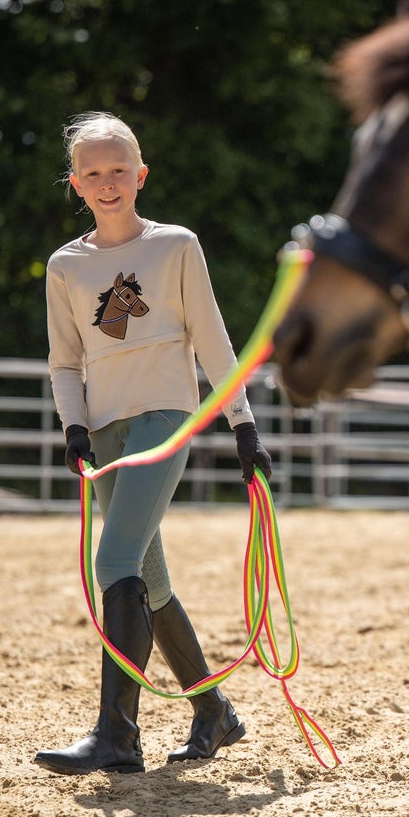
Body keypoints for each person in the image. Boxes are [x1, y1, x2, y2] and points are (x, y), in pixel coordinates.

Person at [35, 111, 272, 775]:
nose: (106, 183)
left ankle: (116, 735)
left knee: (114, 563)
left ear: (139, 176)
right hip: (106, 429)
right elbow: (63, 359)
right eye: (92, 173)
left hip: (165, 420)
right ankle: (214, 712)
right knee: (152, 582)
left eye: (118, 170)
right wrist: (73, 426)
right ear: (75, 184)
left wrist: (242, 424)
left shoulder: (175, 248)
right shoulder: (66, 265)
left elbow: (214, 340)